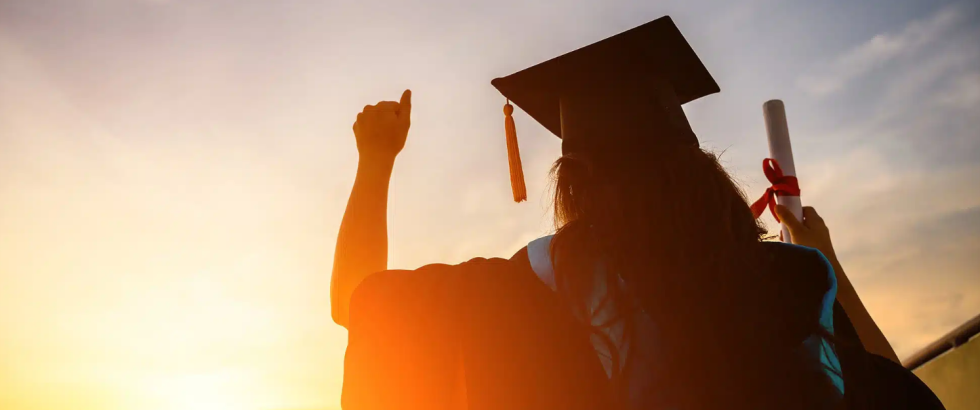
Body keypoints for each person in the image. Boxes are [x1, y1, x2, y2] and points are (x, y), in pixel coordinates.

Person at [331, 16, 941, 410]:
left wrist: (376, 159)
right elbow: (898, 396)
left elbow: (358, 302)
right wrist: (827, 262)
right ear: (702, 174)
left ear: (573, 185)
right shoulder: (788, 290)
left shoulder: (516, 300)